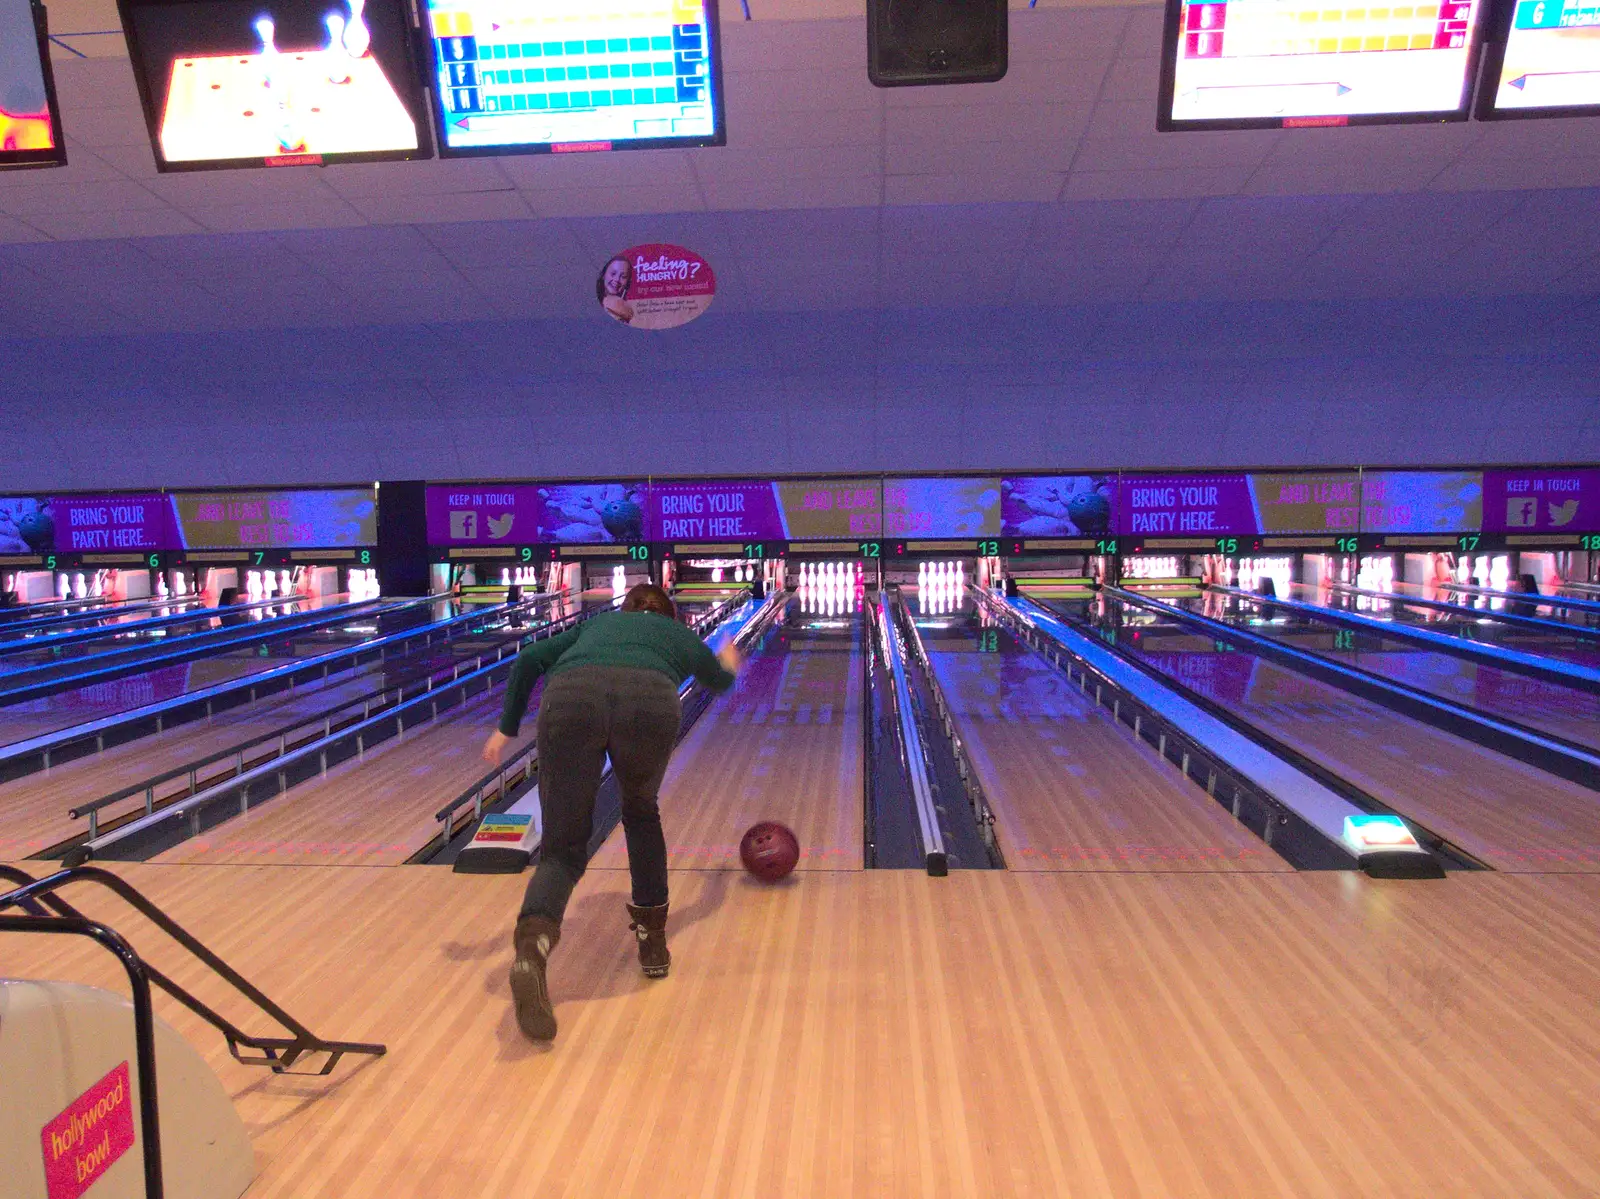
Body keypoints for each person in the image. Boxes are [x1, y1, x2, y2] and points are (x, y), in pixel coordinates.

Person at [482, 582, 742, 1041]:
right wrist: (729, 660)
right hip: (649, 704)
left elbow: (527, 660)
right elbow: (720, 683)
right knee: (641, 813)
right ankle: (653, 943)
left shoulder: (598, 624)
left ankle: (533, 947)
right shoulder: (677, 636)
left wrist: (506, 728)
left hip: (570, 700)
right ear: (670, 616)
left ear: (626, 609)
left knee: (562, 851)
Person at [596, 255, 635, 325]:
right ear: (604, 275)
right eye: (613, 274)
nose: (617, 279)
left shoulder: (628, 309)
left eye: (623, 276)